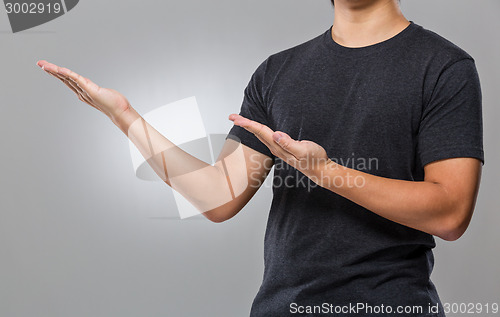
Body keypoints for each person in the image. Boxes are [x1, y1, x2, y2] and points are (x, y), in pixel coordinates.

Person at [37, 0, 483, 315]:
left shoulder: (444, 67)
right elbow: (218, 197)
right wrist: (124, 116)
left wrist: (324, 173)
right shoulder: (278, 72)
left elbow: (450, 213)